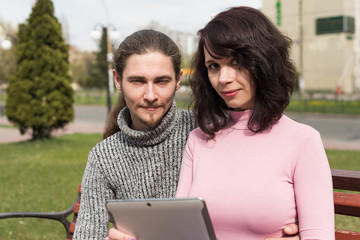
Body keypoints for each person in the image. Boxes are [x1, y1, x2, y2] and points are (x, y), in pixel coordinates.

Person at [74, 29, 301, 240]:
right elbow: (86, 234)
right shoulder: (103, 157)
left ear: (179, 80)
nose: (150, 95)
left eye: (162, 81)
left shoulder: (207, 132)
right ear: (117, 80)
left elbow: (262, 195)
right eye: (138, 81)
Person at [175, 6, 335, 240]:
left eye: (237, 62)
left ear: (264, 61)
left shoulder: (303, 141)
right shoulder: (198, 139)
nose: (224, 78)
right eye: (214, 66)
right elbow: (181, 230)